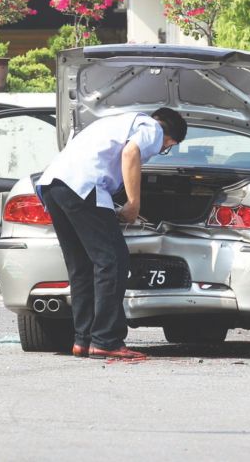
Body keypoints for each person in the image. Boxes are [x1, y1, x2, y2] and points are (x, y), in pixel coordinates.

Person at [36, 108, 187, 361]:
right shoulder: (152, 128)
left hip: (54, 185)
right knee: (112, 262)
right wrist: (133, 204)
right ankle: (106, 340)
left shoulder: (115, 123)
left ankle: (83, 340)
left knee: (81, 266)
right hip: (85, 186)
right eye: (167, 147)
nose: (162, 150)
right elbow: (131, 153)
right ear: (170, 139)